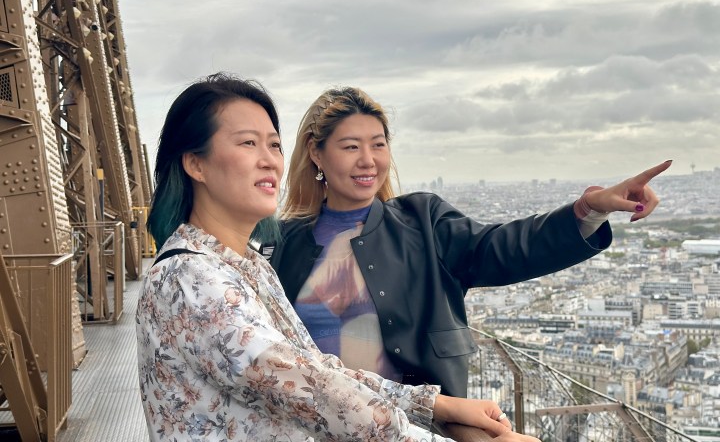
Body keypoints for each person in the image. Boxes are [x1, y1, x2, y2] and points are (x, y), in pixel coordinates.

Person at [136, 73, 539, 441]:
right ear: (195, 163)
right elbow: (312, 390)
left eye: (274, 144)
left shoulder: (248, 267)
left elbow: (316, 369)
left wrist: (435, 405)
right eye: (247, 143)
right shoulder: (188, 278)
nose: (269, 159)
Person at [264, 86, 672, 398]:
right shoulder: (283, 241)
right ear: (316, 155)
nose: (368, 159)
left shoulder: (422, 221)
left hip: (418, 427)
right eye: (350, 147)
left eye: (378, 144)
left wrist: (588, 209)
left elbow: (504, 248)